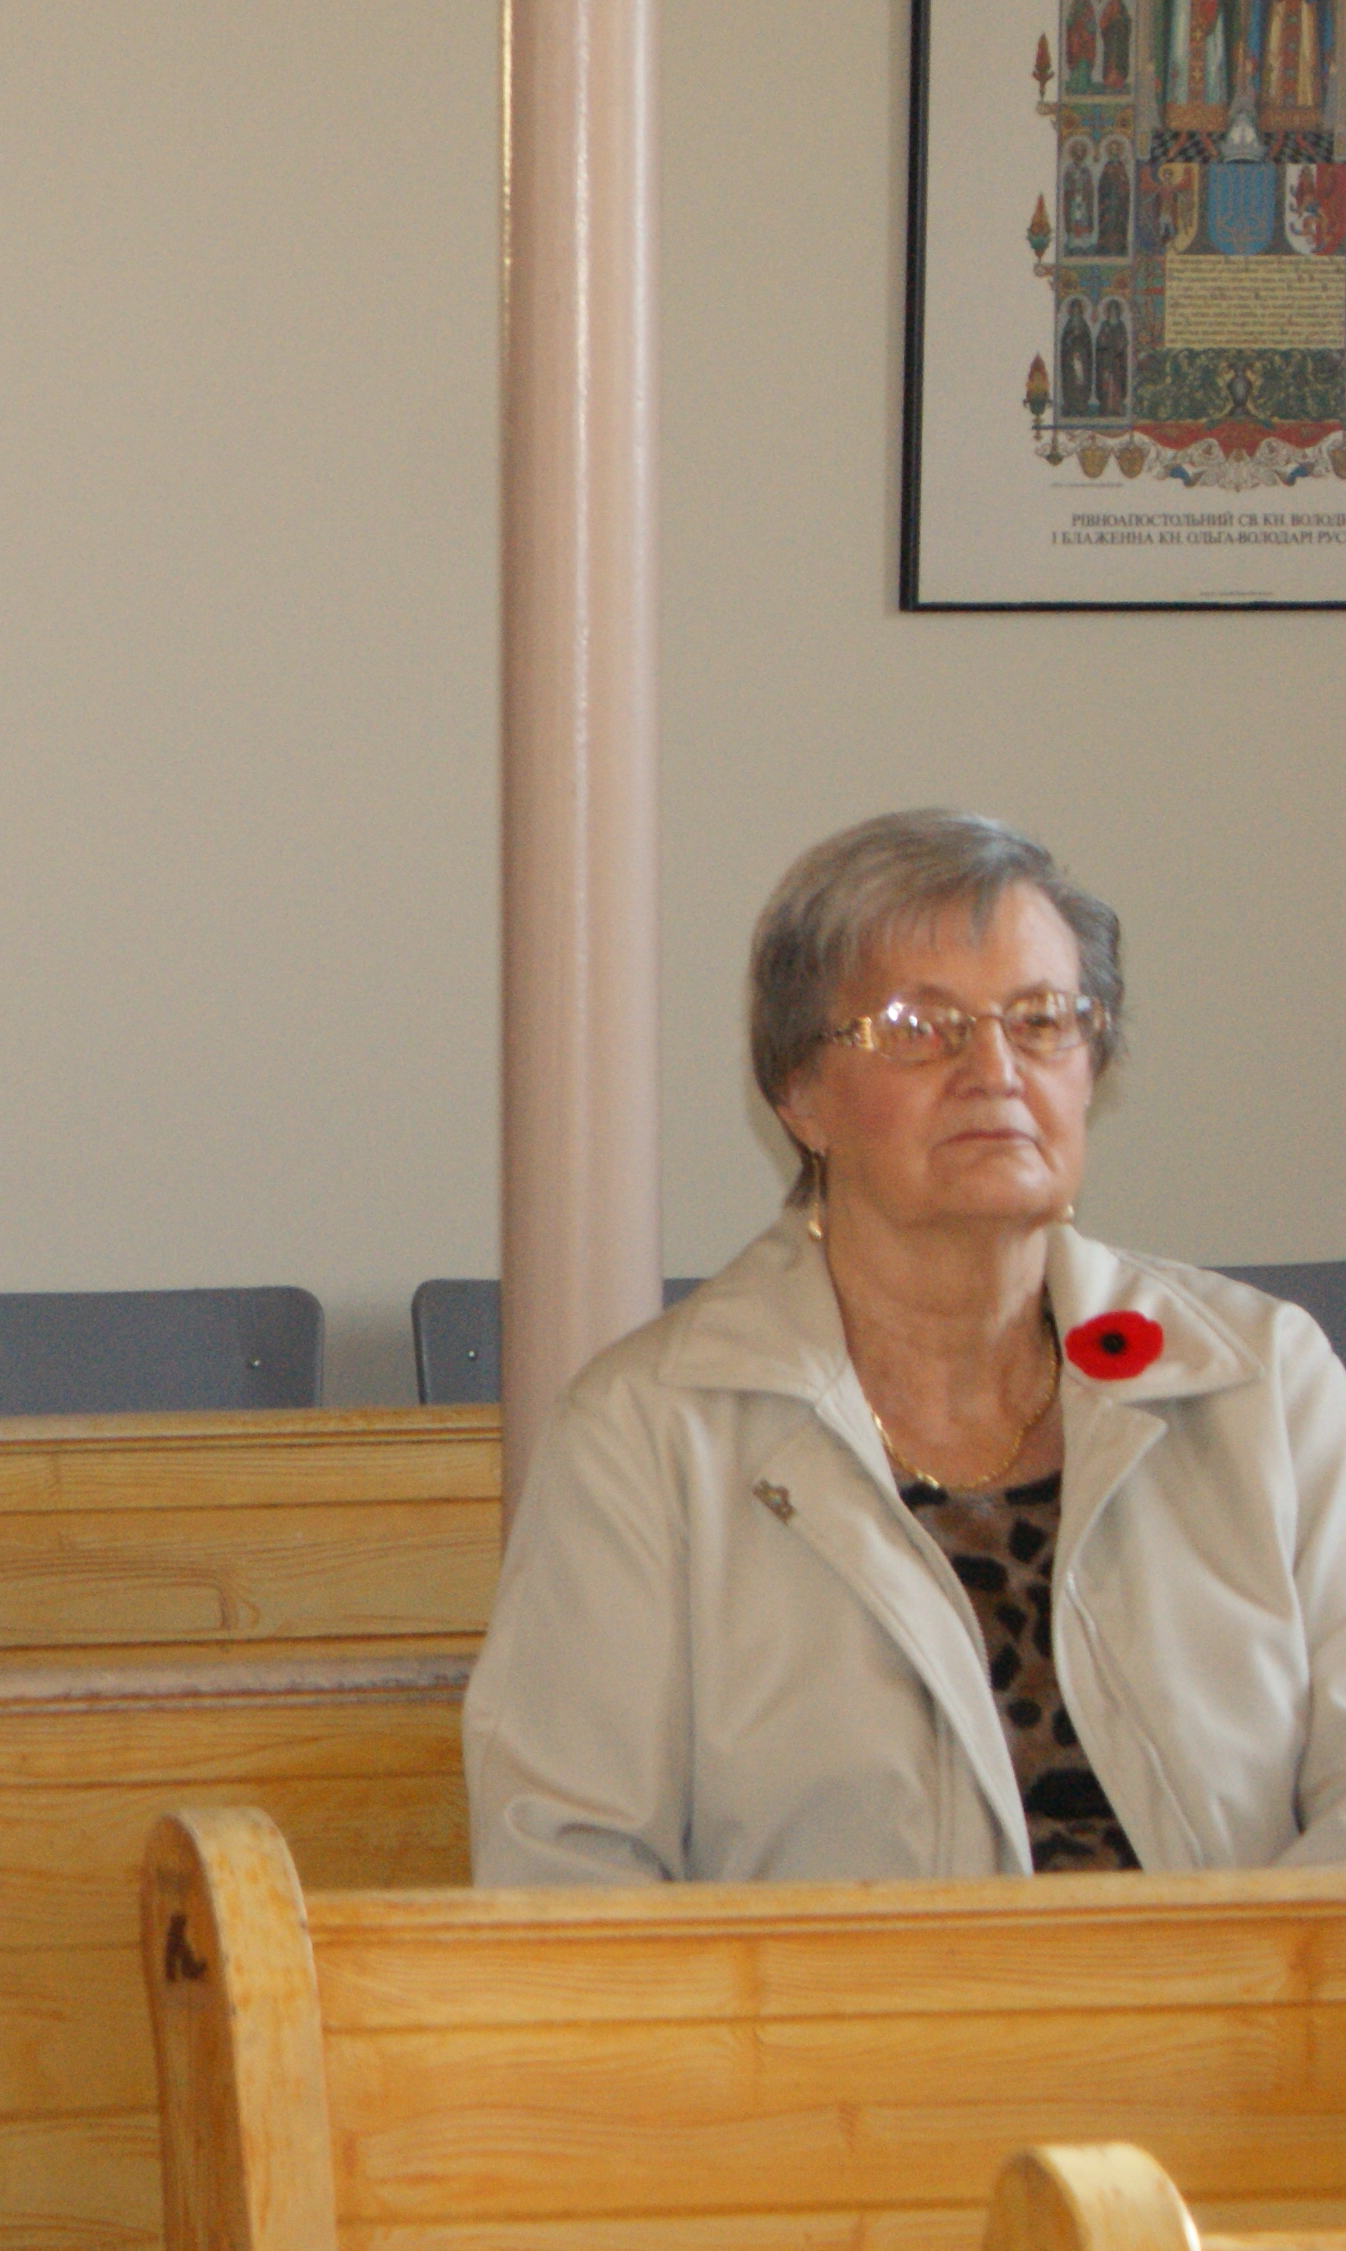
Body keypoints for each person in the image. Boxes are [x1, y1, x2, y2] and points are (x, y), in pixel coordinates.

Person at [471, 808, 1346, 1886]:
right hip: (835, 2003)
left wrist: (1245, 1978)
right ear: (799, 1094)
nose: (994, 1069)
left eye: (1040, 1019)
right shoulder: (648, 1431)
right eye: (917, 1026)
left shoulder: (1262, 1380)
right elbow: (567, 1869)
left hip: (1243, 1994)